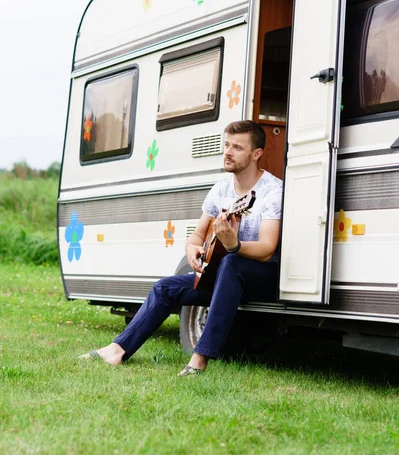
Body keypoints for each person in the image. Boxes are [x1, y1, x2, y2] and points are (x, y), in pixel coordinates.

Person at [79, 120, 282, 375]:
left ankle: (199, 359)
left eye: (237, 148)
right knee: (165, 288)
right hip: (226, 280)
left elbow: (266, 249)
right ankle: (117, 350)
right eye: (226, 145)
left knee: (231, 262)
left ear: (256, 154)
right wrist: (192, 249)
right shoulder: (220, 189)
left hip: (262, 276)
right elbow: (197, 235)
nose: (228, 152)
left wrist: (234, 245)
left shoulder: (272, 191)